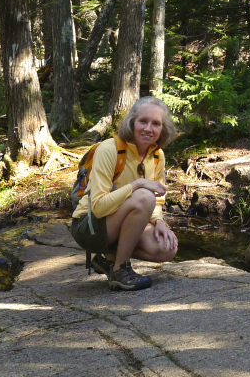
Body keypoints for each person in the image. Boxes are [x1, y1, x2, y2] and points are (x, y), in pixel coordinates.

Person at [70, 96, 179, 291]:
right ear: (132, 122)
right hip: (89, 227)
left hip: (120, 222)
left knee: (167, 248)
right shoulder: (109, 149)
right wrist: (136, 184)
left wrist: (159, 222)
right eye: (143, 121)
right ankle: (120, 270)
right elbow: (99, 206)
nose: (148, 128)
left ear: (163, 128)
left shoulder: (157, 155)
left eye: (156, 123)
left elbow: (158, 198)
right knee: (144, 196)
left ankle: (109, 260)